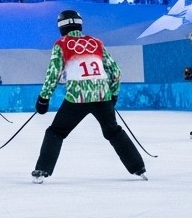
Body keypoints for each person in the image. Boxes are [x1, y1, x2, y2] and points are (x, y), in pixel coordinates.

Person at [30, 10, 145, 183]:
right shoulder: (96, 43)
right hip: (102, 96)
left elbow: (53, 74)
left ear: (61, 27)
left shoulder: (61, 44)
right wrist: (113, 94)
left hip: (77, 98)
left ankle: (42, 170)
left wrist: (43, 98)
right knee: (113, 131)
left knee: (56, 132)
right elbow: (116, 72)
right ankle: (138, 167)